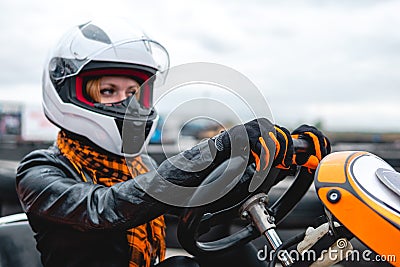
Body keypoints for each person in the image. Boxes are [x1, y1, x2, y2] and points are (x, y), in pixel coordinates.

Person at [16, 18, 331, 267]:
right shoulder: (39, 170)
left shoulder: (139, 165)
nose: (127, 105)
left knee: (221, 254)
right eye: (108, 91)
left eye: (133, 93)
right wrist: (215, 148)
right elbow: (105, 209)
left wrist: (275, 165)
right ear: (68, 91)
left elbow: (200, 203)